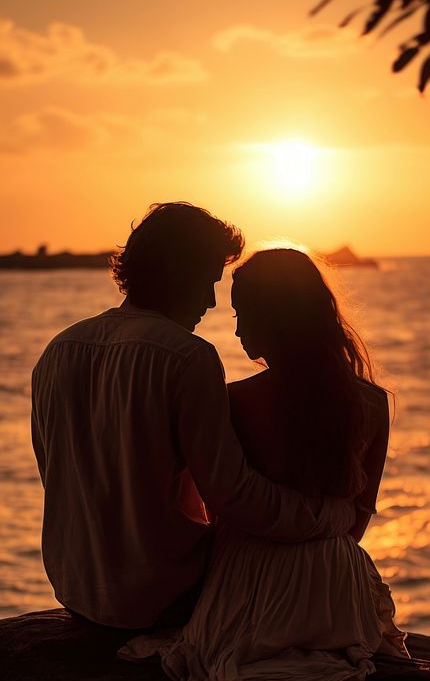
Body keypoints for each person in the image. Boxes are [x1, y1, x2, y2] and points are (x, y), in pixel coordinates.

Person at [117, 248, 412, 681]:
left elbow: (221, 506)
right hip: (333, 581)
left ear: (275, 318)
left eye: (243, 314)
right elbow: (358, 519)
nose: (236, 330)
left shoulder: (233, 401)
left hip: (248, 574)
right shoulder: (372, 403)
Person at [30, 205, 356, 632]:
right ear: (176, 273)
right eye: (207, 283)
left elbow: (53, 473)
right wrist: (329, 517)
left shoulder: (58, 350)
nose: (211, 302)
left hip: (76, 592)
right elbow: (233, 496)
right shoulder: (187, 357)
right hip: (162, 598)